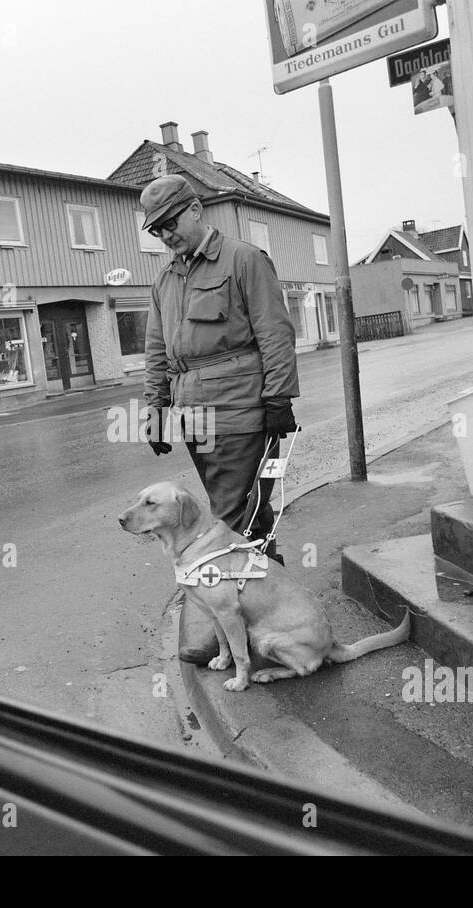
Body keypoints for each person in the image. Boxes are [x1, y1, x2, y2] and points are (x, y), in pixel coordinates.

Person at [139, 174, 301, 663]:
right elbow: (156, 349)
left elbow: (274, 332)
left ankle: (224, 631)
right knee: (249, 520)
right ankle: (272, 611)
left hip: (240, 410)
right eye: (156, 230)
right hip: (196, 417)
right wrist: (155, 408)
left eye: (170, 223)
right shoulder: (166, 279)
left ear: (194, 210)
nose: (166, 235)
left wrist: (278, 398)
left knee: (228, 521)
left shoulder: (244, 260)